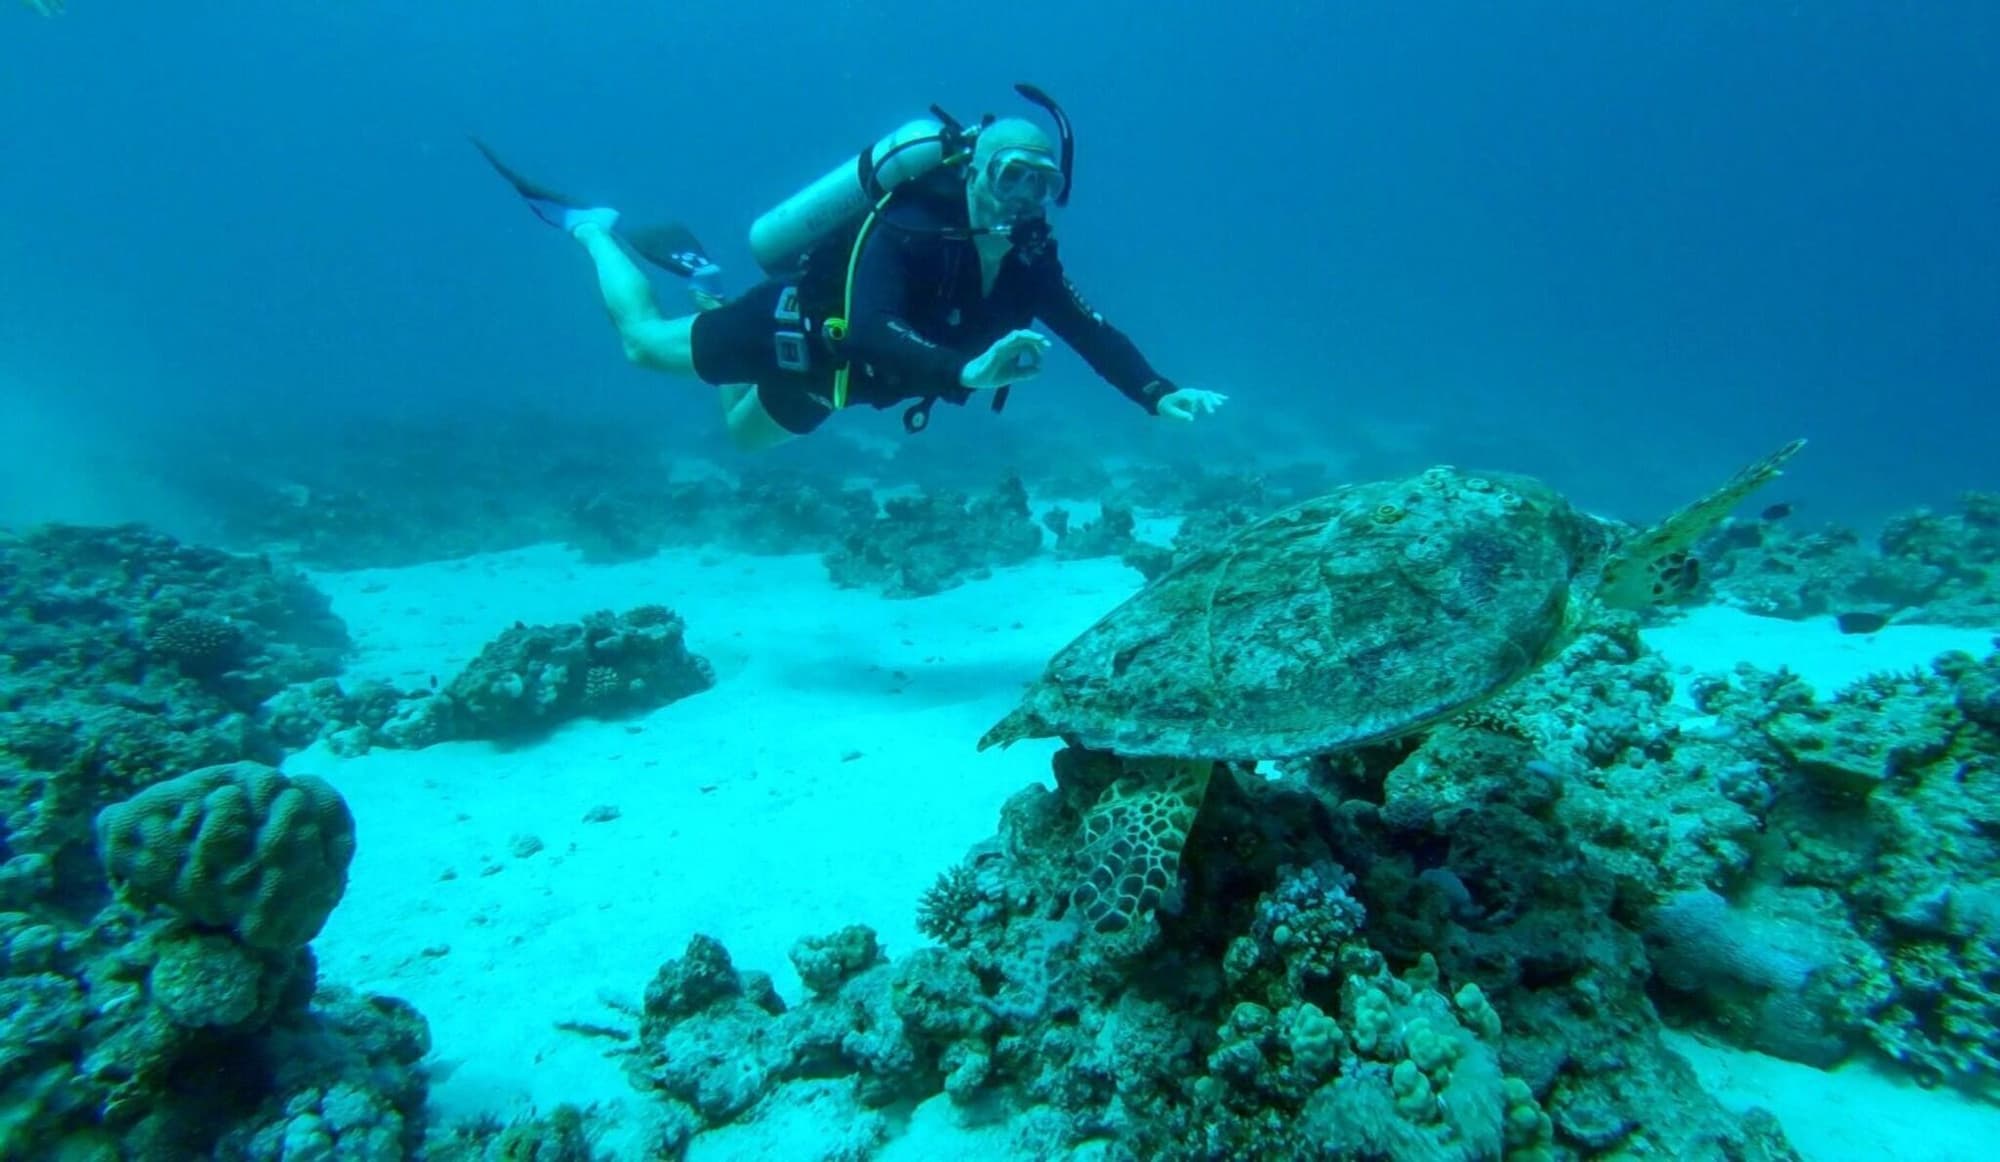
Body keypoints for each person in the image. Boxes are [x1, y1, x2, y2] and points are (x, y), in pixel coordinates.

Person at [479, 87, 1228, 450]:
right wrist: (964, 374)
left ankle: (708, 295)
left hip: (849, 385)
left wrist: (1156, 392)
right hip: (793, 336)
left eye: (1043, 182)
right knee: (642, 345)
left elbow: (1091, 329)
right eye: (1012, 177)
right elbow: (868, 328)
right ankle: (592, 230)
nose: (1027, 197)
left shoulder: (1033, 257)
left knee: (742, 440)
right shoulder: (907, 224)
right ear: (977, 171)